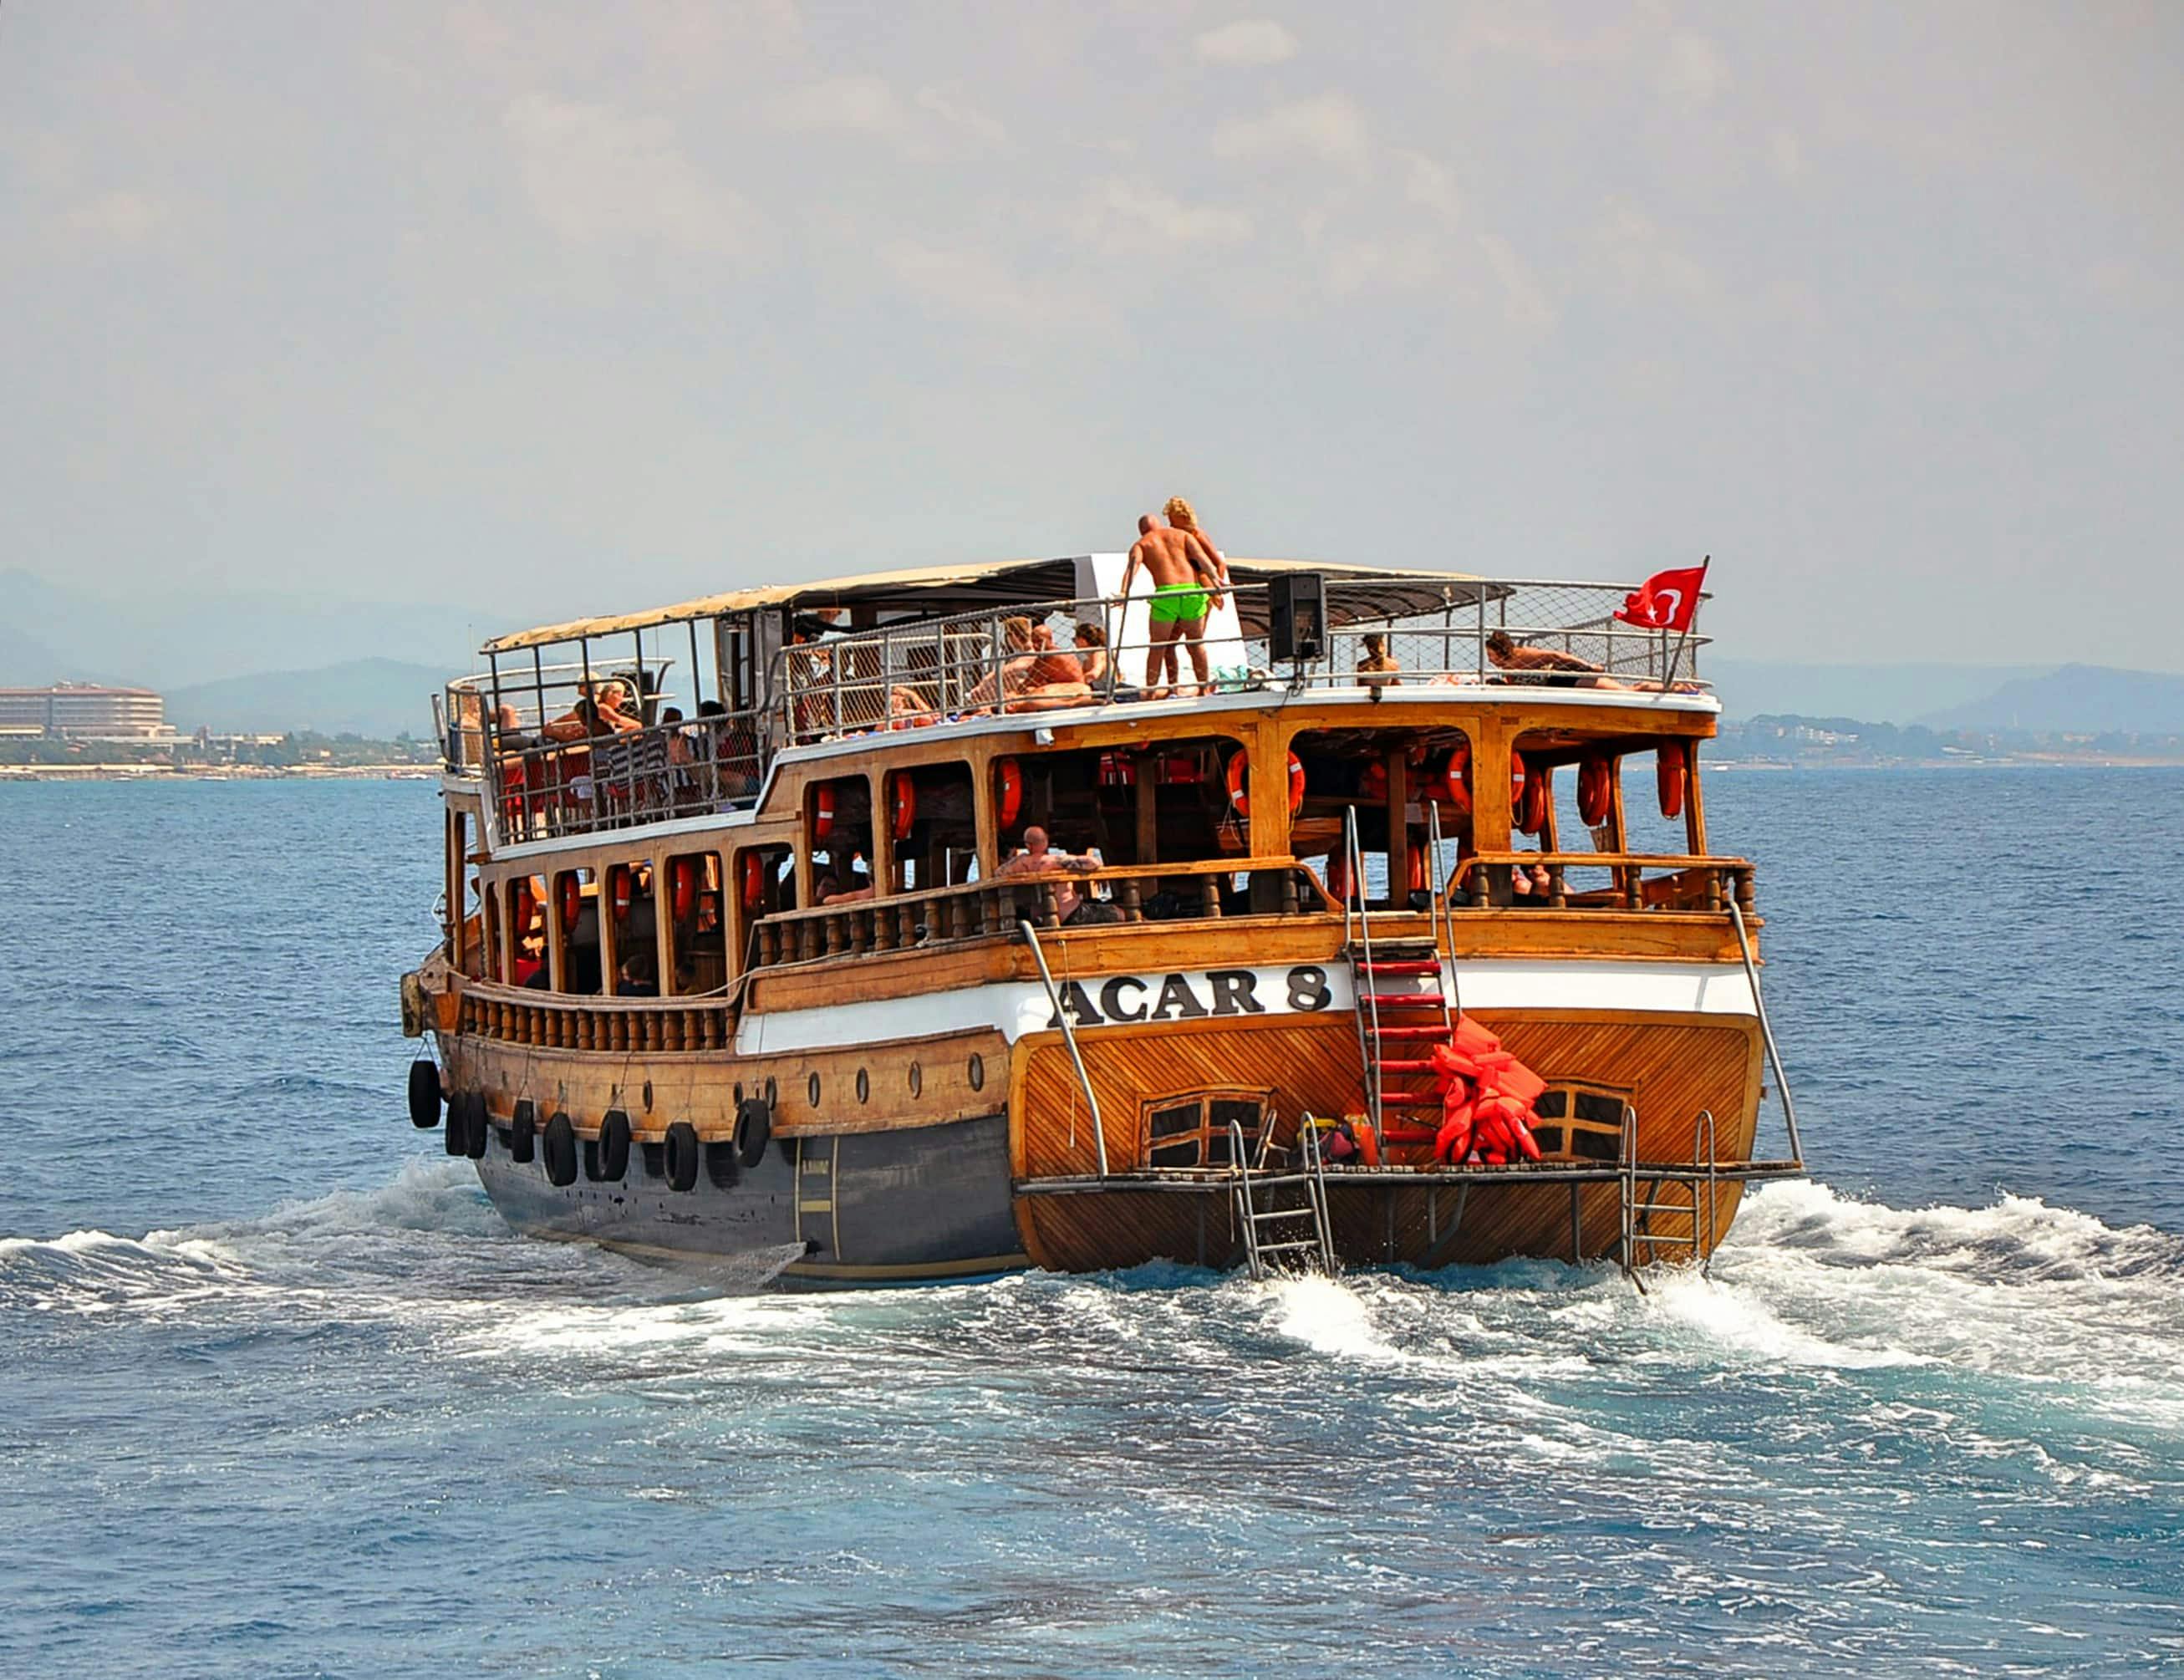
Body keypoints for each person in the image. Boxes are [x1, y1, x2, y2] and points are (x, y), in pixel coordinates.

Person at [1118, 512, 1224, 699]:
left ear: (1141, 531)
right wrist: (1215, 578)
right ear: (1159, 525)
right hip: (1191, 592)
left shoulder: (1142, 544)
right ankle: (1204, 688)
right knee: (1196, 643)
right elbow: (1202, 558)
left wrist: (1123, 593)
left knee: (1158, 645)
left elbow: (1132, 569)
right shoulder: (1182, 535)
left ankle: (1151, 691)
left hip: (1167, 594)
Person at [995, 826, 1124, 924]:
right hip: (1069, 914)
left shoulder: (1019, 863)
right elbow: (1092, 863)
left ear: (1027, 845)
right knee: (1120, 913)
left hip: (1038, 915)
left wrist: (1012, 858)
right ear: (1046, 841)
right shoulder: (1055, 861)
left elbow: (999, 872)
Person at [1484, 630, 1631, 690]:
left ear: (1501, 651)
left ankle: (1651, 688)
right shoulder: (1507, 668)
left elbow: (1556, 655)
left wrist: (1588, 666)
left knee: (1626, 691)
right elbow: (1519, 686)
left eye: (1492, 656)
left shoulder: (1525, 655)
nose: (1491, 660)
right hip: (1553, 684)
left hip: (1562, 676)